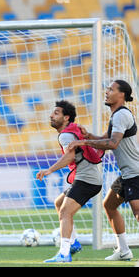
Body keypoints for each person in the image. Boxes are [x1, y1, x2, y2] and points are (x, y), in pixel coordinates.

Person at [68, 80, 139, 261]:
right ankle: (124, 251)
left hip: (136, 174)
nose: (106, 92)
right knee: (109, 205)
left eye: (111, 89)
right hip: (128, 174)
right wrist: (88, 136)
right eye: (107, 89)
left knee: (138, 213)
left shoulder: (121, 115)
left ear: (121, 95)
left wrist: (83, 142)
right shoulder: (116, 116)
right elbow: (104, 140)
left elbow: (112, 144)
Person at [36, 100, 104, 263]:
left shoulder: (66, 135)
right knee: (60, 204)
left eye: (56, 113)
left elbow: (70, 156)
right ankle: (73, 243)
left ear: (66, 118)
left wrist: (49, 170)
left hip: (87, 179)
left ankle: (64, 253)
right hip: (87, 176)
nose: (51, 116)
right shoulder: (70, 131)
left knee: (66, 212)